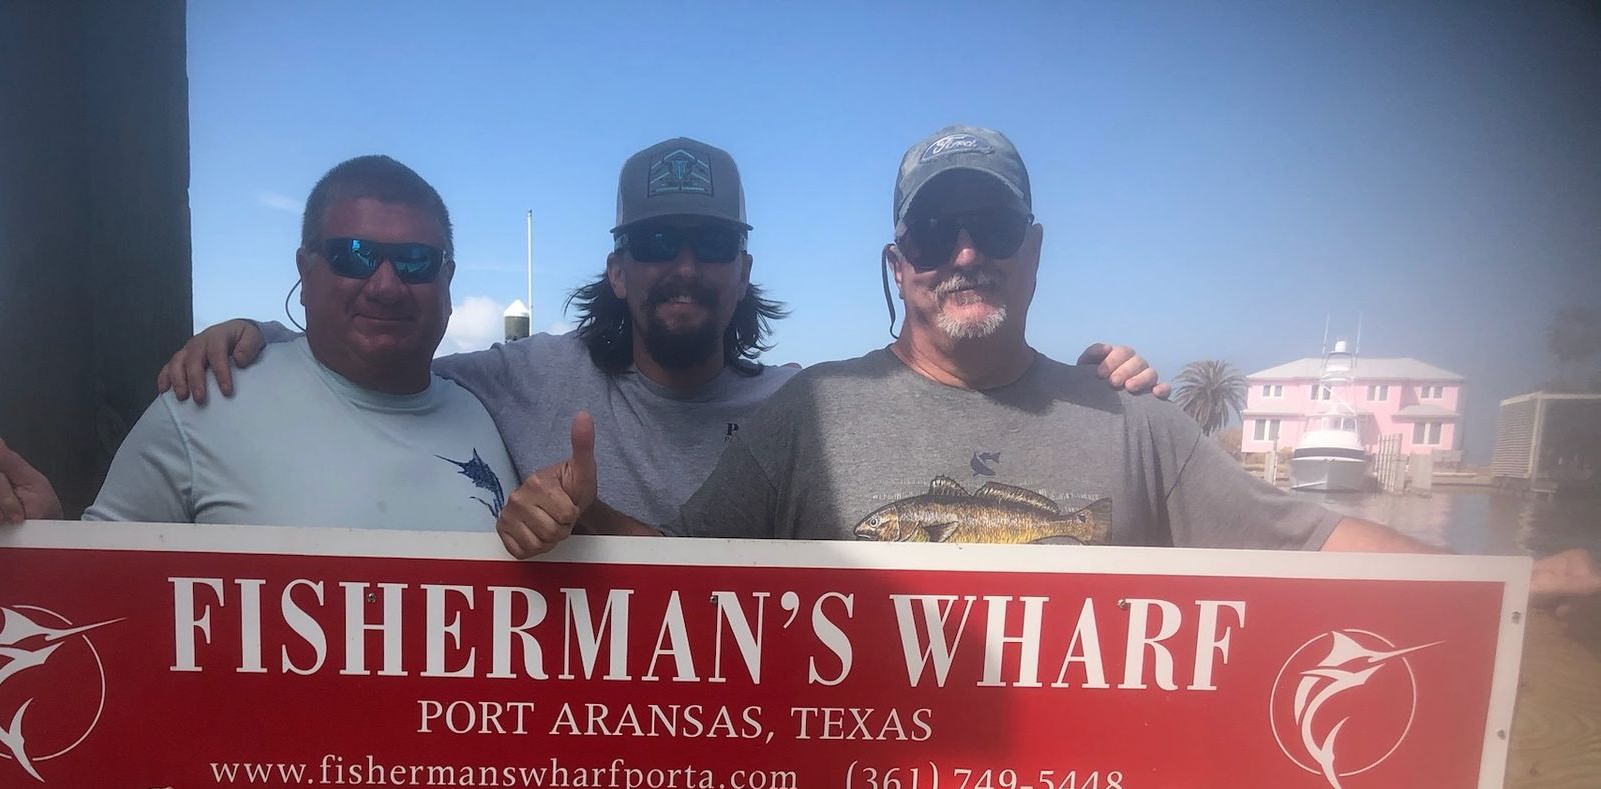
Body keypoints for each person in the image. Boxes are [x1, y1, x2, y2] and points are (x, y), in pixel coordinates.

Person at [494, 124, 1601, 608]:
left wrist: (1519, 583)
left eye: (989, 225)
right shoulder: (811, 411)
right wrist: (571, 522)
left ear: (1033, 249)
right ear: (900, 262)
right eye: (934, 234)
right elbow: (689, 571)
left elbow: (1314, 539)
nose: (963, 252)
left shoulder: (1133, 423)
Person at [155, 136, 1166, 530]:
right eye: (658, 241)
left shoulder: (809, 407)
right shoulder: (520, 379)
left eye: (710, 243)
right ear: (620, 267)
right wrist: (259, 335)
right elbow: (381, 349)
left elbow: (952, 413)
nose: (685, 265)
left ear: (743, 270)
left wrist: (1079, 395)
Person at [0, 155, 512, 532]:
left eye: (414, 261)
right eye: (353, 256)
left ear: (447, 282)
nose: (385, 285)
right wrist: (40, 539)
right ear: (306, 273)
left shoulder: (487, 417)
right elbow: (101, 594)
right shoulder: (202, 403)